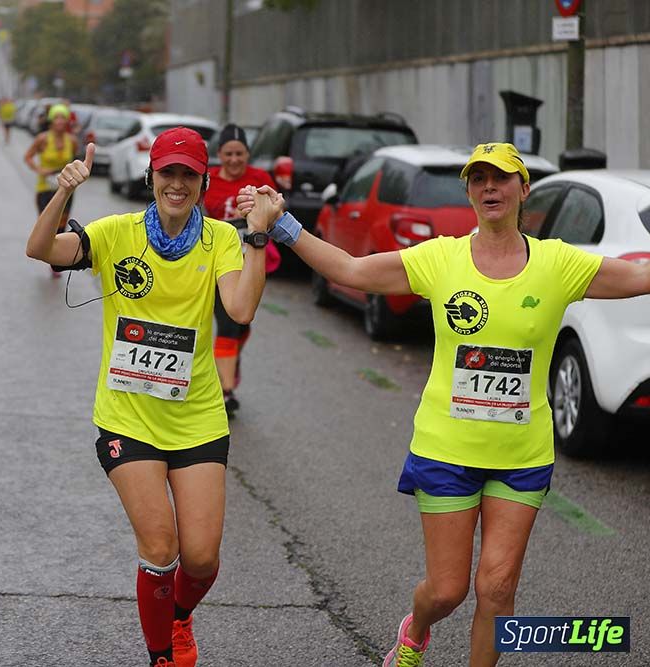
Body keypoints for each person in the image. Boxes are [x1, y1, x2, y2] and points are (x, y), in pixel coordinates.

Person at [237, 142, 650, 667]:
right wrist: (282, 225)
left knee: (498, 589)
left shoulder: (558, 265)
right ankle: (416, 629)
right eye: (478, 180)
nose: (490, 189)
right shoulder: (441, 258)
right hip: (446, 449)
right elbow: (351, 270)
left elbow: (639, 277)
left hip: (521, 456)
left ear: (524, 191)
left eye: (501, 179)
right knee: (447, 591)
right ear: (470, 192)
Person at [26, 128, 282, 667]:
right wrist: (63, 192)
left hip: (198, 419)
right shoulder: (116, 233)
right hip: (128, 418)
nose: (177, 183)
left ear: (203, 182)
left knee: (203, 560)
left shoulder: (219, 238)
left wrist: (257, 237)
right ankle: (162, 655)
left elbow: (239, 309)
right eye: (168, 172)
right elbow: (40, 248)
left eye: (189, 174)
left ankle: (180, 615)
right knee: (162, 547)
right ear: (152, 176)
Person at [202, 123, 281, 416]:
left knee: (241, 325)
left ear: (248, 153)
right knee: (227, 322)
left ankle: (228, 363)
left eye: (240, 154)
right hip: (213, 260)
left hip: (251, 260)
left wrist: (255, 217)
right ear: (219, 154)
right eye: (228, 154)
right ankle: (224, 390)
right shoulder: (207, 179)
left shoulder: (260, 179)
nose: (234, 160)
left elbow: (277, 213)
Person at [24, 103, 79, 277]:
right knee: (47, 224)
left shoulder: (72, 141)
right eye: (57, 117)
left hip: (66, 188)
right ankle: (47, 253)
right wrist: (40, 170)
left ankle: (55, 262)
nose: (60, 121)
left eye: (63, 117)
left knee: (61, 225)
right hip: (45, 188)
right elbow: (28, 157)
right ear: (51, 120)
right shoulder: (42, 139)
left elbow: (74, 160)